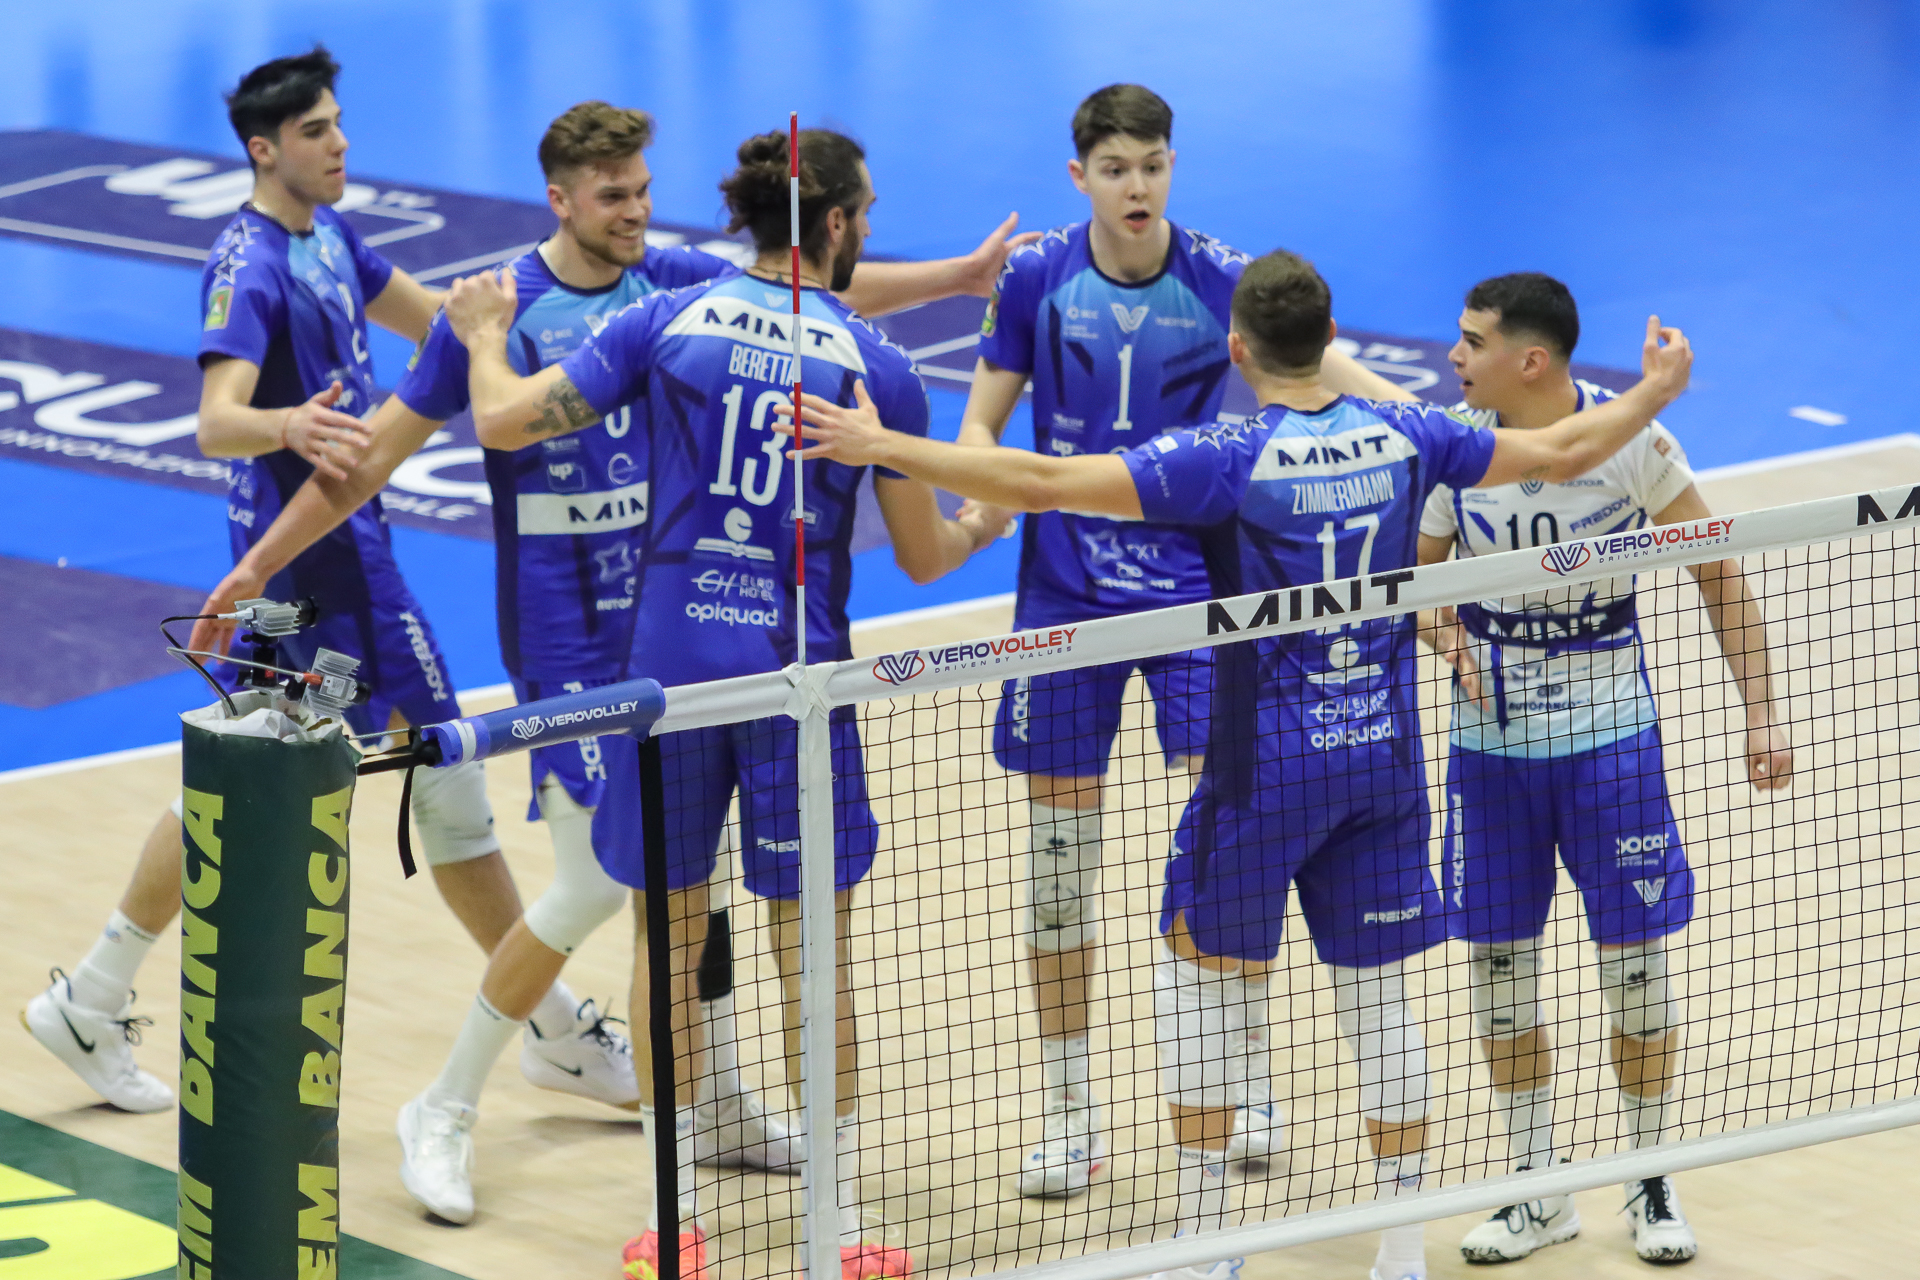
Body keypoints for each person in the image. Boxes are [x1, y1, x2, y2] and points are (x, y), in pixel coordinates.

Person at [185, 99, 1037, 1227]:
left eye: (644, 191)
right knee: (613, 890)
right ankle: (446, 1104)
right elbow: (373, 460)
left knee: (672, 908)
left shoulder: (669, 288)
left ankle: (707, 1118)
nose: (635, 212)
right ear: (560, 198)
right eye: (613, 197)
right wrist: (258, 565)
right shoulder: (498, 307)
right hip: (577, 643)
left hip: (670, 633)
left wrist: (957, 277)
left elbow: (809, 293)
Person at [777, 249, 1694, 1280]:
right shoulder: (1413, 434)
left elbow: (1038, 482)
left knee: (1196, 980)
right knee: (1380, 1003)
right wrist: (1656, 389)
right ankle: (1401, 1254)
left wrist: (880, 443)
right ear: (1330, 339)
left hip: (1264, 771)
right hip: (1384, 764)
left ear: (1237, 349)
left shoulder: (1224, 456)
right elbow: (1566, 449)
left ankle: (1211, 1244)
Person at [442, 127, 1005, 1280]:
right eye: (867, 211)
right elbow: (924, 559)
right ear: (836, 222)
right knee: (814, 950)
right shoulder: (876, 364)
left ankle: (674, 1219)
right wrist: (986, 518)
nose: (869, 228)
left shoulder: (663, 320)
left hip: (668, 679)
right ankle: (836, 1228)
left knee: (668, 939)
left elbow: (500, 421)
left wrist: (485, 337)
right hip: (798, 685)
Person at [19, 46, 624, 1116]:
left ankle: (93, 991)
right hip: (324, 572)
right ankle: (554, 1025)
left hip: (319, 563)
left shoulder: (331, 234)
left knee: (244, 777)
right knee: (445, 779)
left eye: (339, 123)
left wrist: (534, 336)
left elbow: (438, 322)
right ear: (265, 150)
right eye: (316, 132)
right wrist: (288, 423)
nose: (341, 143)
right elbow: (216, 422)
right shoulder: (249, 265)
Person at [956, 83, 1394, 1196]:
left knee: (1235, 848)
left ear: (1171, 166)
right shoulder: (1035, 278)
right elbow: (983, 415)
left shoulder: (1221, 281)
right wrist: (980, 491)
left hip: (1205, 605)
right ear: (1080, 177)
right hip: (1064, 603)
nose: (1136, 185)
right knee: (1059, 875)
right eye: (1115, 168)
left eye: (1152, 164)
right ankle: (1070, 1114)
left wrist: (1453, 427)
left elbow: (1345, 380)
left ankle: (1248, 1083)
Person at [1408, 273, 1791, 1266]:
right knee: (1500, 977)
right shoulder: (1457, 450)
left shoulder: (1635, 446)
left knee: (1636, 973)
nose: (1454, 355)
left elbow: (1718, 572)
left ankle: (1650, 1176)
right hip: (1490, 758)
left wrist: (1762, 709)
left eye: (1471, 340)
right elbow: (1420, 582)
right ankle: (1537, 1188)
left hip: (1611, 750)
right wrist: (1443, 632)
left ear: (1529, 360)